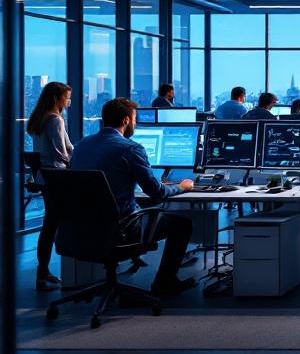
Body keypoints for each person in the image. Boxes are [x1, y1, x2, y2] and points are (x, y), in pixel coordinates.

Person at [71, 98, 197, 297]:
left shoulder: (81, 146)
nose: (136, 124)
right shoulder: (130, 148)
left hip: (80, 229)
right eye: (135, 119)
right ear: (126, 120)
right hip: (121, 229)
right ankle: (165, 282)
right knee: (182, 225)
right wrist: (182, 186)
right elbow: (157, 193)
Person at [26, 81, 74, 290]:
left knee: (49, 225)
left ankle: (43, 272)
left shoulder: (38, 118)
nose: (69, 101)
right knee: (55, 224)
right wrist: (77, 159)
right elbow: (61, 152)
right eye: (67, 97)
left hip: (44, 177)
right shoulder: (55, 120)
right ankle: (47, 273)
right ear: (57, 99)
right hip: (57, 177)